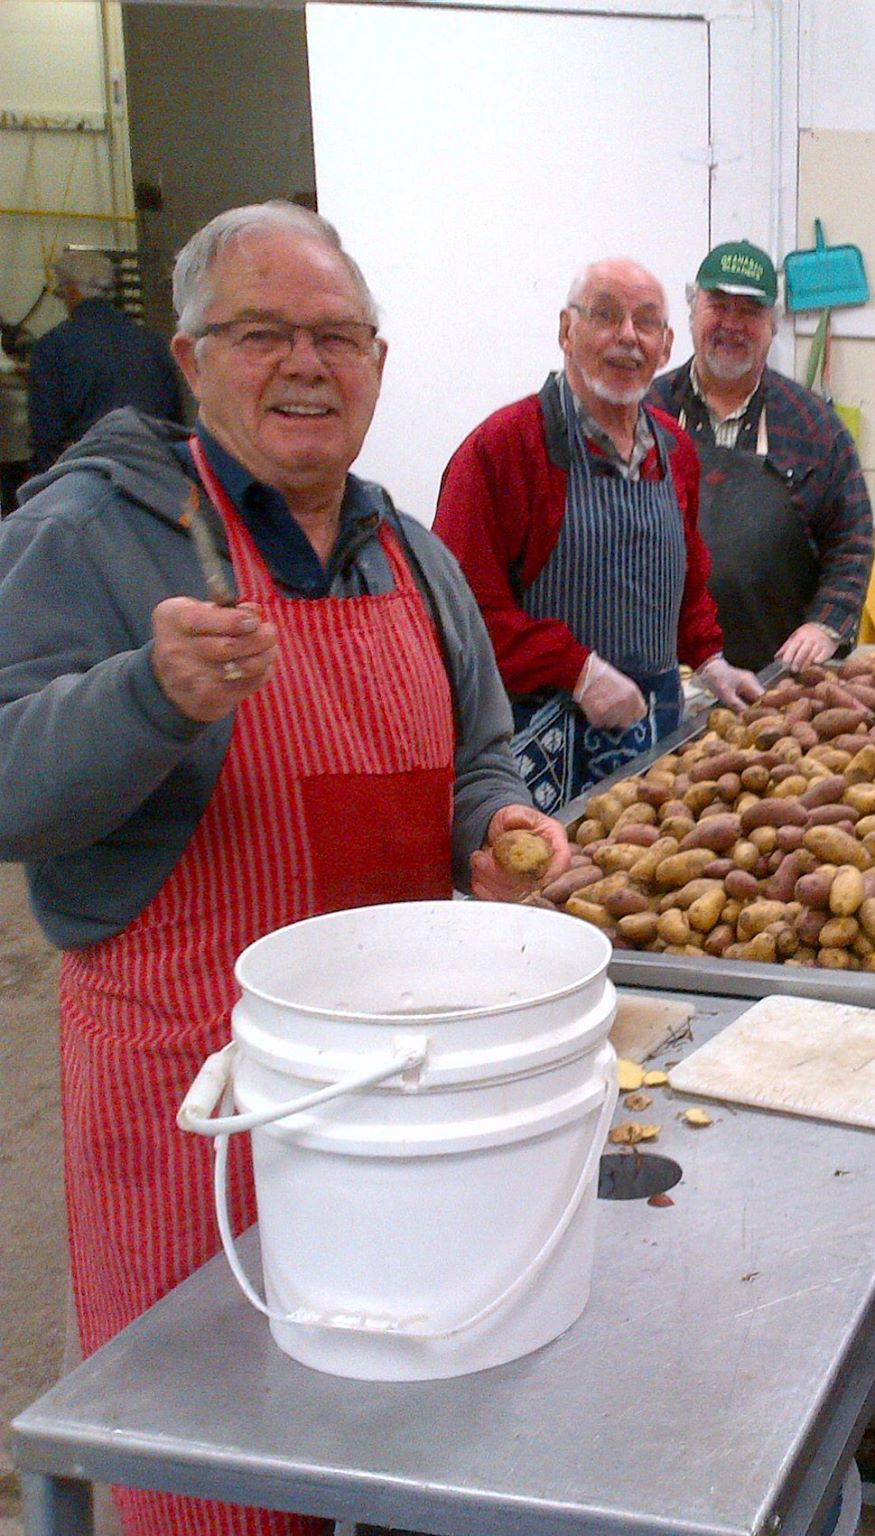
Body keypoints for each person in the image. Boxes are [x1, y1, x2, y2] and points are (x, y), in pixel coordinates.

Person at [0, 201, 570, 1536]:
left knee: (397, 1450)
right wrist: (151, 694)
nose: (305, 364)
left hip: (400, 1115)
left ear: (378, 361)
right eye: (263, 334)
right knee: (211, 1472)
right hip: (197, 1107)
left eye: (334, 337)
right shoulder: (92, 534)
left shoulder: (410, 557)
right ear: (192, 361)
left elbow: (479, 760)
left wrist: (495, 838)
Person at [436, 258, 760, 813]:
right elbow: (458, 618)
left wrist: (710, 659)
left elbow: (683, 583)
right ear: (566, 329)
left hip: (652, 742)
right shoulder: (502, 449)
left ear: (665, 345)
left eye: (646, 322)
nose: (627, 338)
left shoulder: (674, 452)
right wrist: (578, 670)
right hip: (534, 750)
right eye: (605, 316)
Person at [648, 240, 873, 673]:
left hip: (777, 683)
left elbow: (852, 544)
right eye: (718, 305)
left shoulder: (816, 428)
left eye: (750, 310)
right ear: (692, 312)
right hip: (661, 678)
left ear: (773, 324)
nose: (732, 324)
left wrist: (824, 627)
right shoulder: (645, 414)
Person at [27, 248, 184, 473]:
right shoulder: (153, 343)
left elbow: (46, 437)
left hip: (89, 479)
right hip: (157, 474)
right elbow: (175, 422)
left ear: (71, 290)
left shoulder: (52, 348)